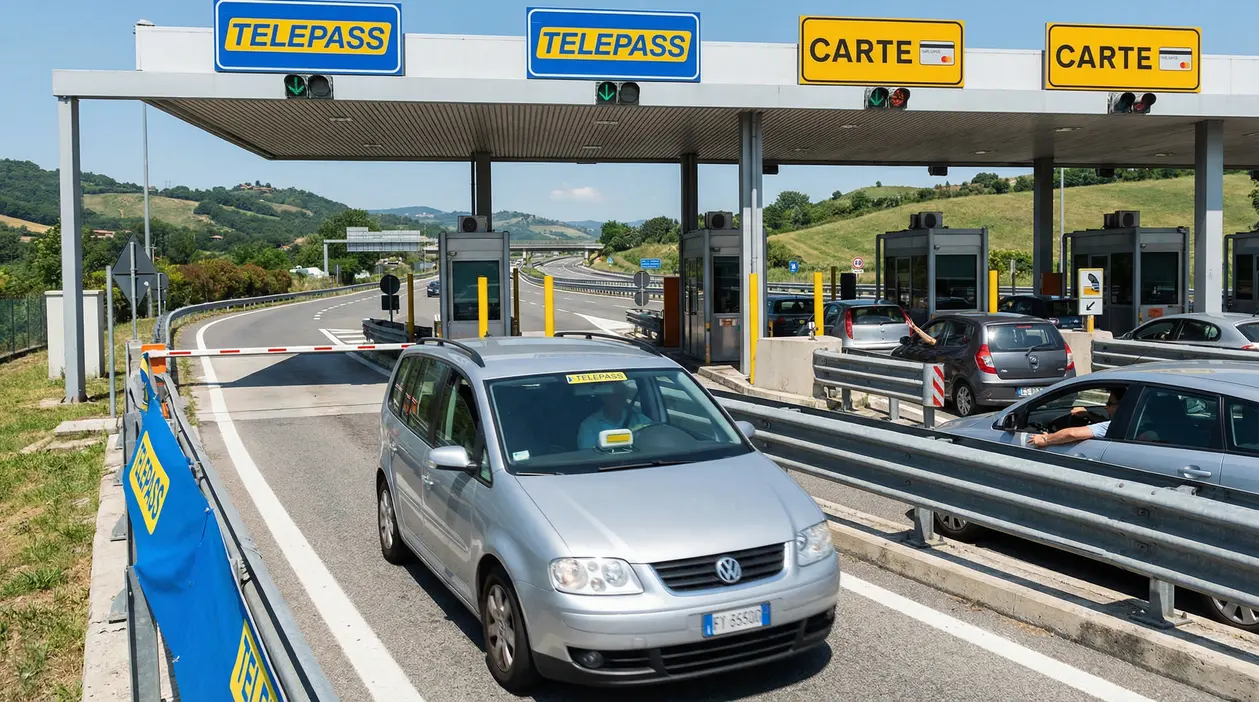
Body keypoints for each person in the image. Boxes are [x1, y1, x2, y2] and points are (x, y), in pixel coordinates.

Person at [1028, 388, 1125, 448]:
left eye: (1109, 404)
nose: (1105, 407)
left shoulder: (1115, 426)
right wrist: (1089, 415)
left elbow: (1072, 434)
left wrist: (1046, 439)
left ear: (1122, 407)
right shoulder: (1134, 424)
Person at [577, 382, 651, 449]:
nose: (618, 399)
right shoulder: (590, 425)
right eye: (613, 396)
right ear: (604, 398)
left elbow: (654, 435)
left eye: (621, 395)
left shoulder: (638, 419)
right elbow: (588, 455)